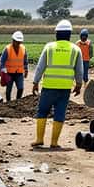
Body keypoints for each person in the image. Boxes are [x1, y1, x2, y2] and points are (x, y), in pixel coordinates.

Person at [31, 19, 83, 149]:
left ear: (56, 34)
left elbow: (40, 67)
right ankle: (54, 142)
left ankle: (39, 139)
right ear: (70, 34)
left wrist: (35, 82)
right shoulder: (75, 49)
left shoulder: (49, 47)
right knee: (60, 113)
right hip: (65, 88)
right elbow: (79, 70)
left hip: (49, 86)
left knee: (42, 111)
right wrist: (78, 84)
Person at [0, 31, 28, 102]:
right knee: (9, 90)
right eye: (17, 42)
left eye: (20, 42)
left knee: (20, 88)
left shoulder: (23, 49)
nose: (18, 43)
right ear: (13, 40)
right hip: (9, 73)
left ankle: (18, 101)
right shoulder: (7, 49)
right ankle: (8, 102)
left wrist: (26, 69)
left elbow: (25, 61)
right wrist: (2, 72)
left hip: (19, 73)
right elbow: (2, 61)